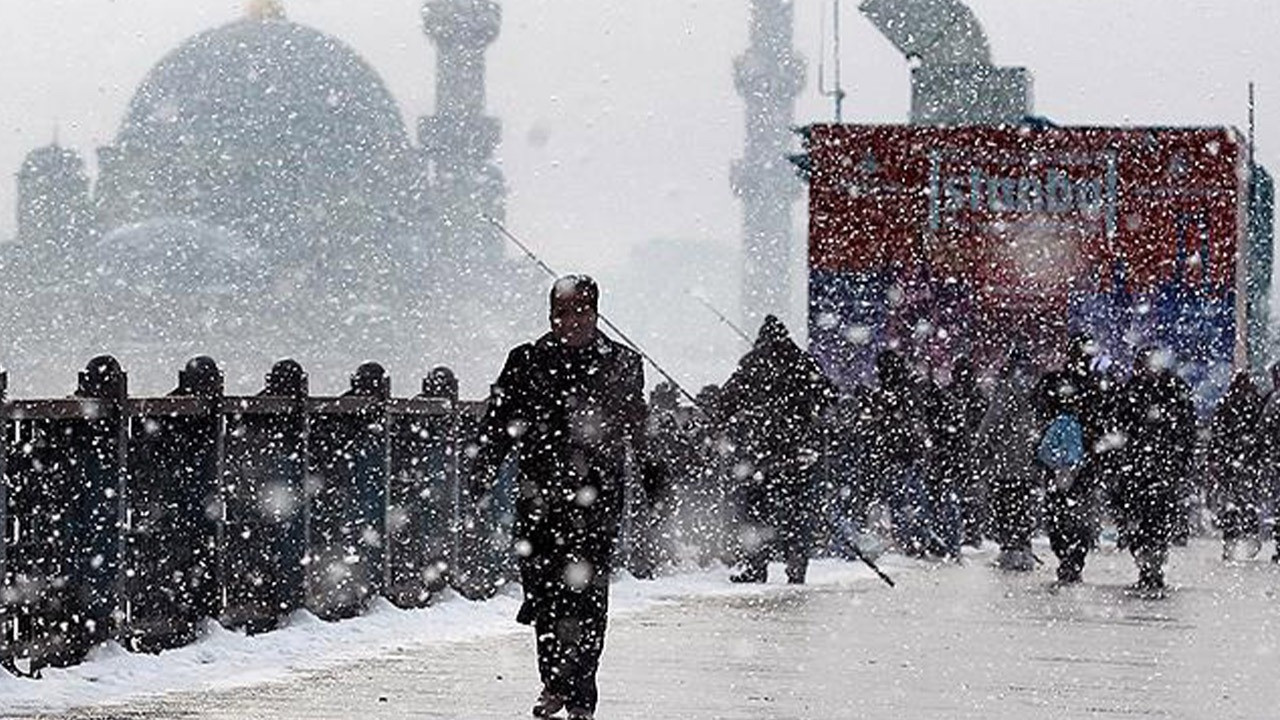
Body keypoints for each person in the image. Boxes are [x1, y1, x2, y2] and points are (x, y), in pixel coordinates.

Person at [470, 275, 645, 720]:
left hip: (598, 500)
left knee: (587, 598)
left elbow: (636, 427)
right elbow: (497, 426)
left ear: (595, 312)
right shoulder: (527, 361)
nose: (570, 321)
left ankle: (580, 694)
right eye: (561, 313)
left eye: (579, 311)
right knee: (544, 596)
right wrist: (483, 471)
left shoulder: (621, 363)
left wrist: (652, 474)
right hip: (540, 498)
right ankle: (554, 680)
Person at [714, 315, 836, 584]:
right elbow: (830, 396)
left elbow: (725, 401)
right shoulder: (805, 364)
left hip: (761, 454)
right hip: (798, 452)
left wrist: (734, 417)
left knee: (756, 511)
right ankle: (796, 566)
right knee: (798, 513)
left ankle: (756, 567)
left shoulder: (752, 365)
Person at [1033, 334, 1104, 584]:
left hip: (1058, 463)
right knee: (1076, 513)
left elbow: (1038, 414)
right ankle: (1073, 559)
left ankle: (1067, 556)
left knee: (1058, 511)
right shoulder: (1096, 385)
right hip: (1082, 462)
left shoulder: (1053, 382)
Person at [1116, 349, 1188, 591]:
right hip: (1138, 470)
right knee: (1138, 523)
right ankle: (1147, 565)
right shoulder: (1133, 391)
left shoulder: (1172, 391)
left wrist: (1179, 462)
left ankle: (1153, 568)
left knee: (1156, 523)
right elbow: (1119, 428)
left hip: (1159, 470)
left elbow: (1185, 429)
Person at [977, 348, 1041, 571]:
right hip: (1030, 462)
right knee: (1024, 505)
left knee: (1006, 505)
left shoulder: (1006, 391)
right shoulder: (1036, 390)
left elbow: (991, 424)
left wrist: (982, 448)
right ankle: (1024, 547)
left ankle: (1010, 550)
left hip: (1007, 462)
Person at [1210, 371, 1265, 561]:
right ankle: (1242, 539)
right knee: (1242, 503)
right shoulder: (1253, 404)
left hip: (1237, 461)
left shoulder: (1228, 405)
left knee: (1235, 503)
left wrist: (1216, 457)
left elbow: (1217, 435)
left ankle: (1235, 541)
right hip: (1243, 461)